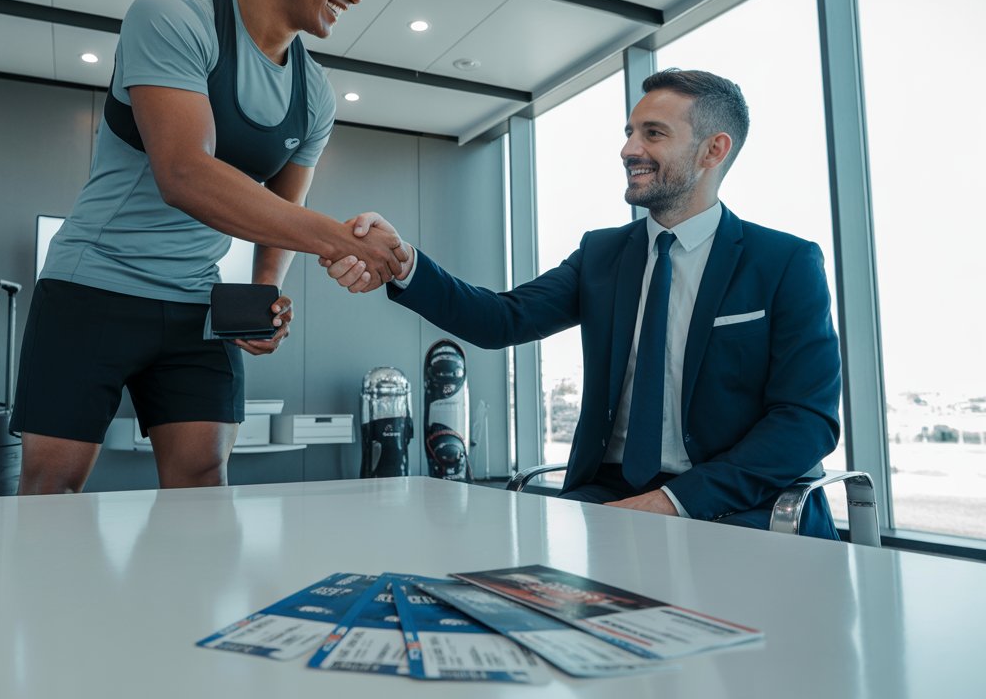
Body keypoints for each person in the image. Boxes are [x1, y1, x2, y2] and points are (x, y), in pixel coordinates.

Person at [11, 0, 405, 494]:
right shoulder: (172, 17)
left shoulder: (315, 93)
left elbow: (283, 210)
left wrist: (264, 296)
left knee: (200, 483)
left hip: (197, 303)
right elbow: (185, 173)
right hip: (92, 286)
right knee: (51, 486)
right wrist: (340, 240)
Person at [326, 69, 841, 538]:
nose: (628, 150)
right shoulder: (603, 255)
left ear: (713, 151)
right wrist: (403, 262)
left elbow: (805, 421)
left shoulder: (784, 263)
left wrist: (671, 502)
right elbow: (500, 319)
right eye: (629, 132)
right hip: (608, 496)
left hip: (738, 506)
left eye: (653, 134)